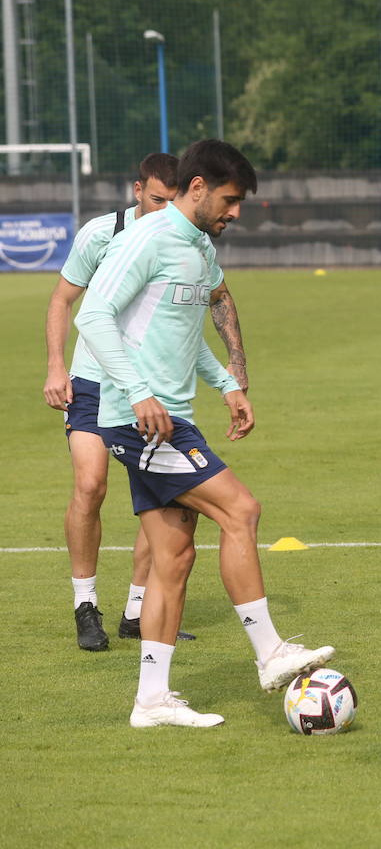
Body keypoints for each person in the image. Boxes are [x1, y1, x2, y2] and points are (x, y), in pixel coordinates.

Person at [75, 139, 333, 728]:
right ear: (197, 188)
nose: (235, 212)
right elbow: (93, 316)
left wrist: (227, 385)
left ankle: (151, 701)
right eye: (230, 199)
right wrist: (138, 393)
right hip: (137, 418)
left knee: (174, 557)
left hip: (172, 413)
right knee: (241, 510)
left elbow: (182, 334)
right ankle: (270, 653)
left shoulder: (198, 248)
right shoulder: (146, 239)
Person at [43, 152, 248, 651]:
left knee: (159, 494)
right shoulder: (104, 234)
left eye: (169, 200)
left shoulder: (189, 241)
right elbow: (66, 302)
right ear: (139, 191)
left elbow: (213, 299)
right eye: (156, 199)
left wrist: (232, 374)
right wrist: (55, 366)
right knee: (91, 486)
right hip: (94, 382)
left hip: (150, 388)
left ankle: (138, 611)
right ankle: (85, 604)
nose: (163, 207)